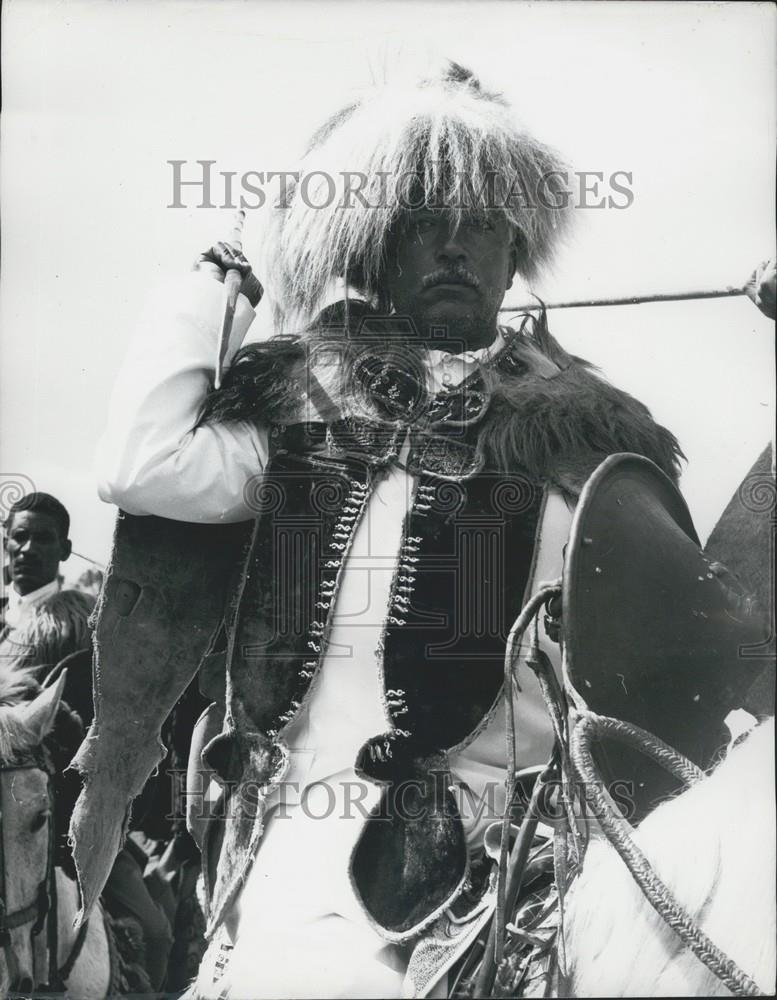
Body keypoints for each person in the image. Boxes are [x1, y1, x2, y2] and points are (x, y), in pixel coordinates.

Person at [84, 63, 762, 998]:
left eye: (480, 225)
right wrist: (226, 272)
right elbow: (141, 464)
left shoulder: (587, 437)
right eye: (421, 224)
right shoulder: (298, 411)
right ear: (373, 253)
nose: (454, 247)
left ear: (512, 257)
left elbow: (696, 653)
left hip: (546, 874)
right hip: (317, 870)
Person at [1, 492, 72, 637]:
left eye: (43, 539)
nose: (28, 549)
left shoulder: (81, 626)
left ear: (65, 550)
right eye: (20, 537)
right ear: (6, 545)